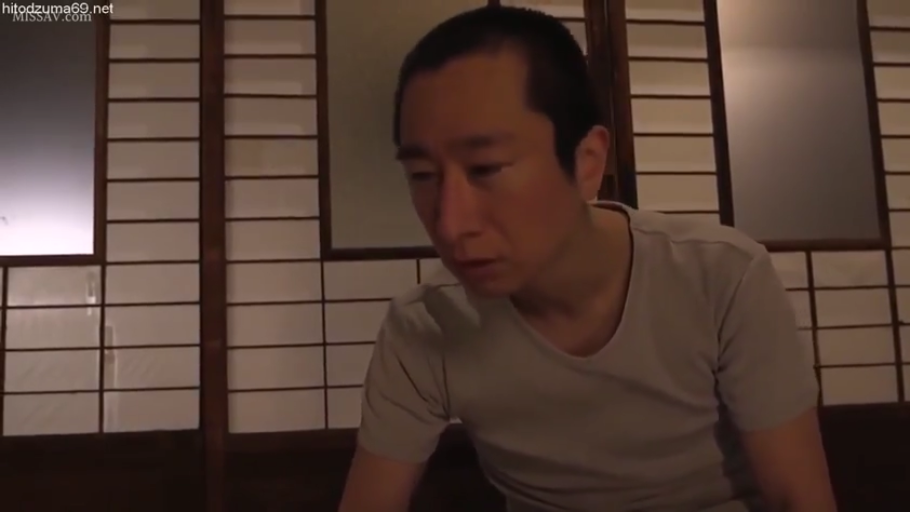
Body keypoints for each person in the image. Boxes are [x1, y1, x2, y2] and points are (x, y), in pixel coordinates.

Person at [338, 6, 837, 512]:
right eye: (422, 175)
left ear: (586, 163)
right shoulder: (425, 328)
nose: (449, 223)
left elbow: (798, 497)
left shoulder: (720, 277)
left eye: (486, 167)